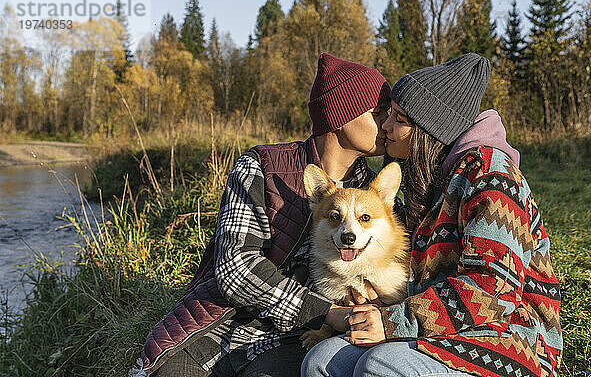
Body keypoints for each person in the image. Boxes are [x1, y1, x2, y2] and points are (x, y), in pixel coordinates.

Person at [301, 53, 562, 377]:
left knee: (380, 365)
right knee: (320, 362)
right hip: (443, 328)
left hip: (508, 340)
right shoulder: (430, 179)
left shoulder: (492, 178)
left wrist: (396, 321)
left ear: (427, 130)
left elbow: (493, 289)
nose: (385, 126)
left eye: (398, 118)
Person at [131, 53, 392, 377]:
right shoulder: (264, 168)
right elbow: (236, 269)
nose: (387, 124)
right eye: (378, 112)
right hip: (222, 324)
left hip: (295, 340)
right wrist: (328, 313)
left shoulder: (374, 196)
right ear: (342, 114)